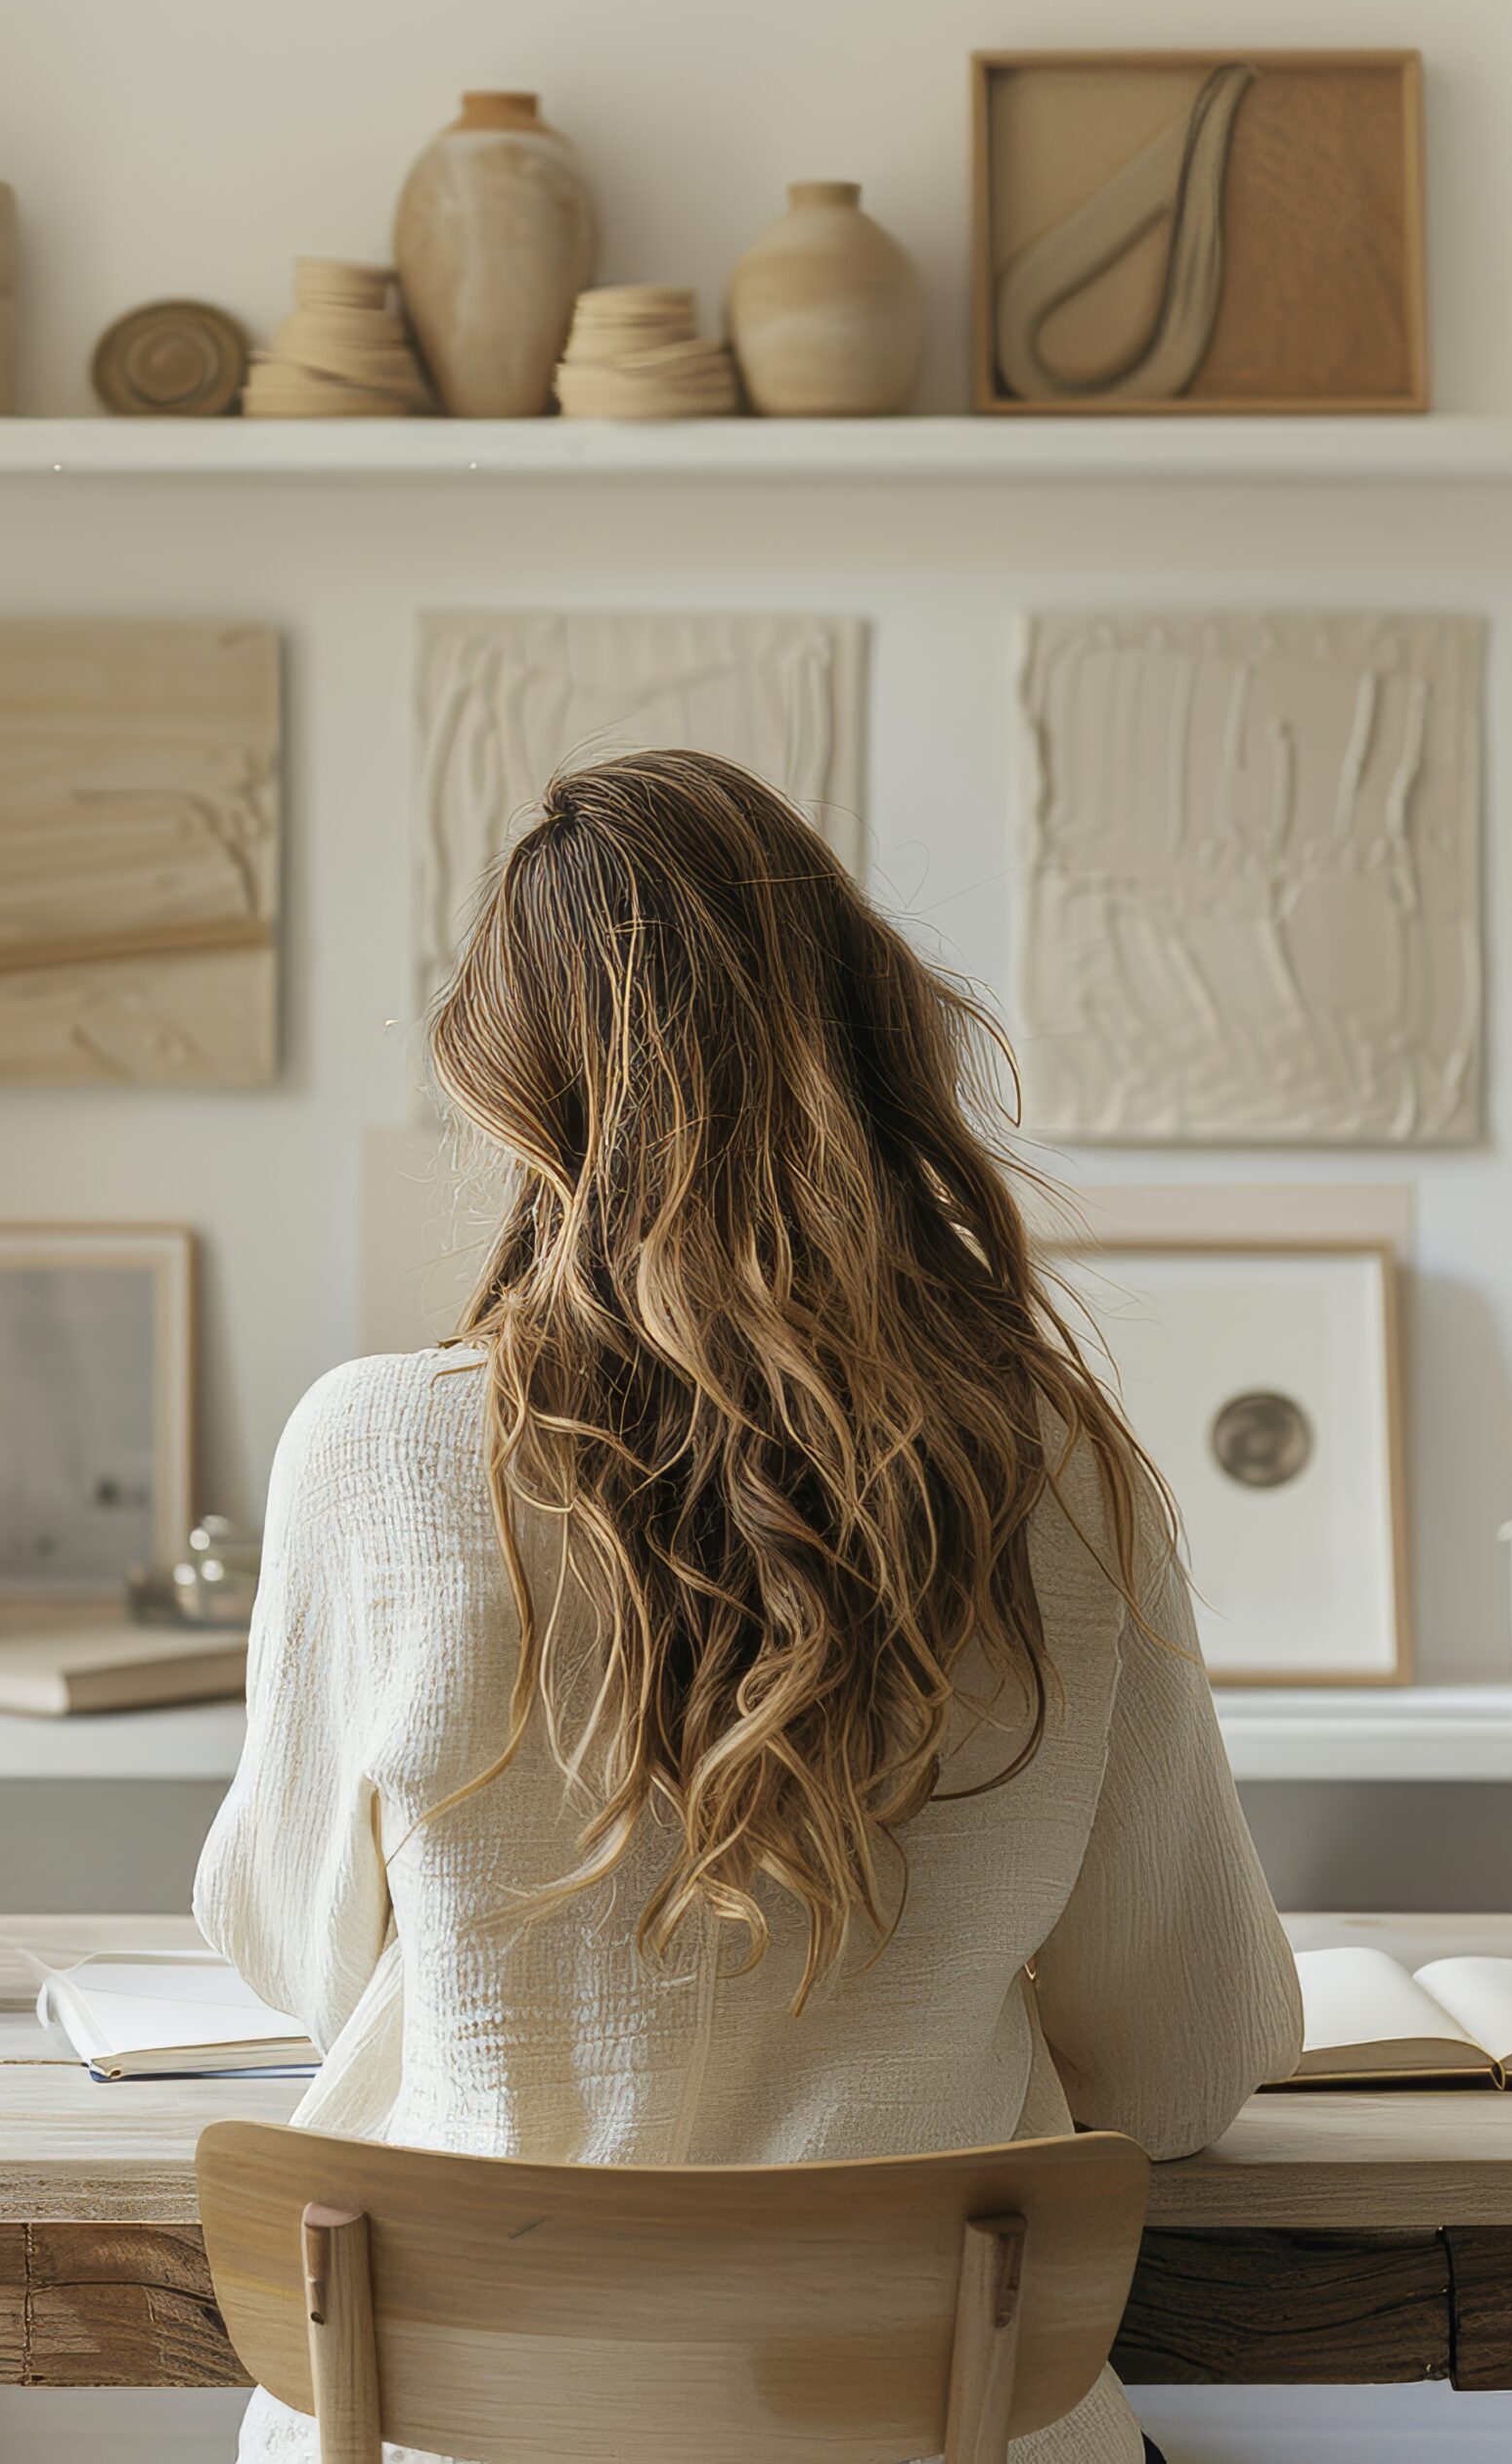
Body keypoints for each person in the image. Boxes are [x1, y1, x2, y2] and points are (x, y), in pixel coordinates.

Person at [197, 750, 1301, 2464]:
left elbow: (299, 1953)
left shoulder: (374, 1453)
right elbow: (1184, 2062)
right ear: (871, 1047)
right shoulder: (1057, 1477)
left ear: (520, 1096)